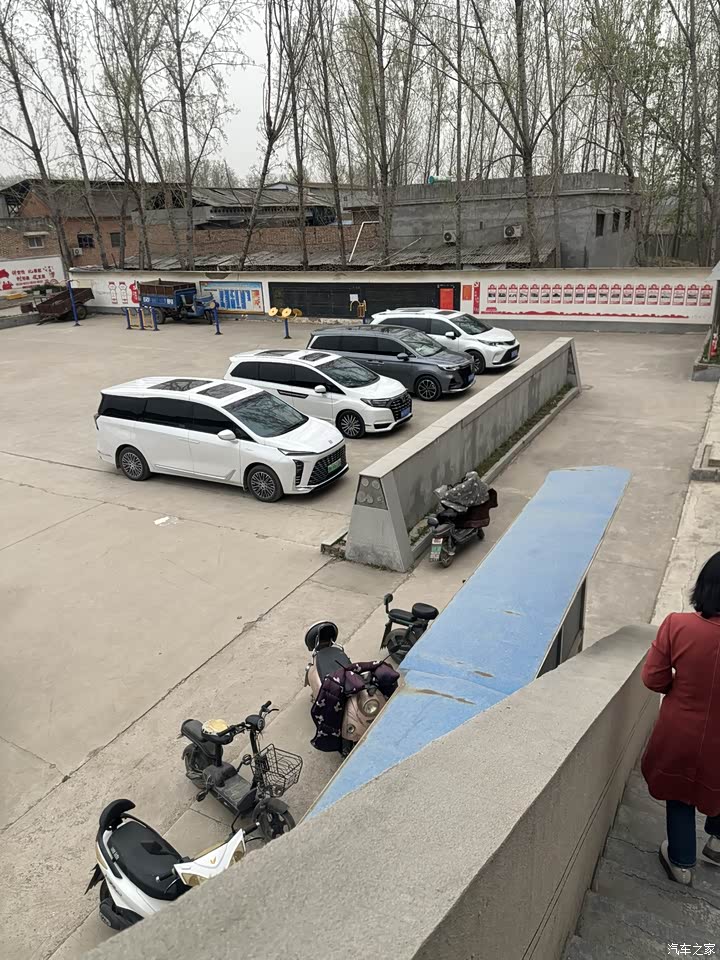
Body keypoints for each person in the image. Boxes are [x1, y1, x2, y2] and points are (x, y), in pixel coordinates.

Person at [641, 551, 720, 885]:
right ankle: (717, 843)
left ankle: (681, 862)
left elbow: (653, 678)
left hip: (681, 729)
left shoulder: (677, 625)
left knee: (679, 790)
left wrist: (681, 688)